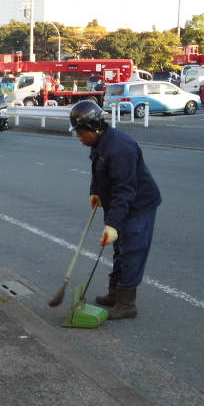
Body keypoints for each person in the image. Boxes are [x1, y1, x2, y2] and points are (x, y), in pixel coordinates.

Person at [69, 100, 161, 320]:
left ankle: (127, 305)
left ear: (93, 128)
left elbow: (125, 191)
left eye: (81, 134)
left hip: (137, 207)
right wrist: (95, 191)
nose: (80, 139)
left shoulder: (119, 149)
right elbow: (99, 172)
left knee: (131, 253)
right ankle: (114, 294)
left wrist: (112, 224)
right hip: (121, 205)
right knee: (120, 250)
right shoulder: (101, 144)